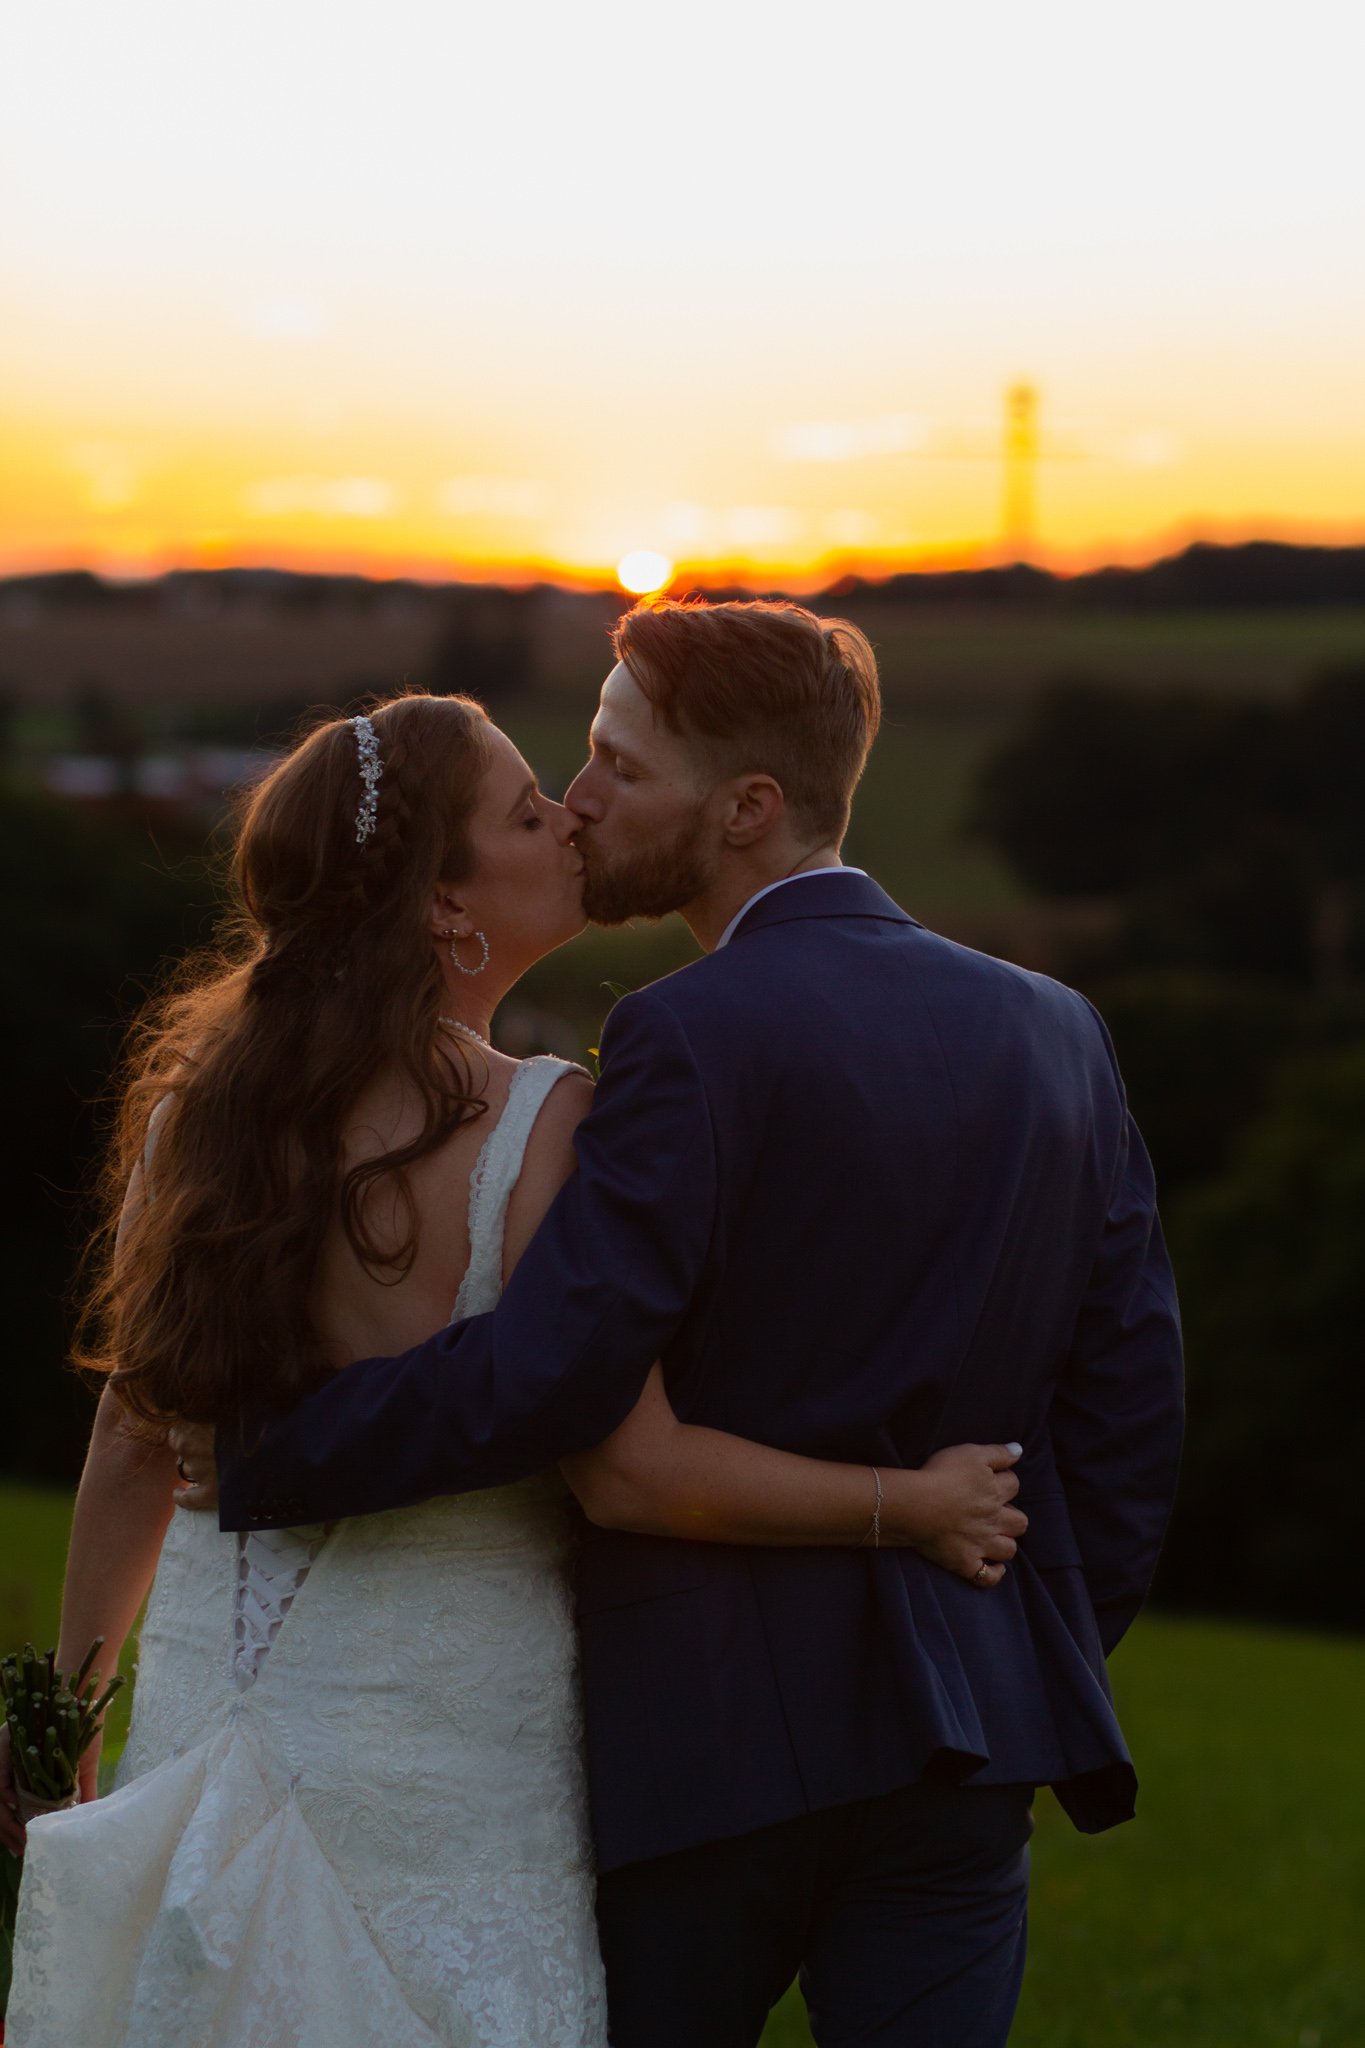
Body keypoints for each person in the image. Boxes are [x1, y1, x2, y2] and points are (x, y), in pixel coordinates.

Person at [198, 599, 1184, 2048]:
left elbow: (559, 1369)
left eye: (617, 765)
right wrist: (1026, 1652)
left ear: (747, 808)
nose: (577, 798)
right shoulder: (1057, 1029)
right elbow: (1129, 1409)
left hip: (711, 1745)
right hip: (970, 1754)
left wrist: (273, 1447)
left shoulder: (687, 1033)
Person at [1, 686, 1026, 2048]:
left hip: (208, 1684)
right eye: (527, 811)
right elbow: (632, 1468)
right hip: (446, 1742)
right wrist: (910, 1503)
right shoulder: (549, 1127)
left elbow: (134, 1441)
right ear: (443, 904)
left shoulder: (197, 1117)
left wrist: (65, 1714)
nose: (571, 819)